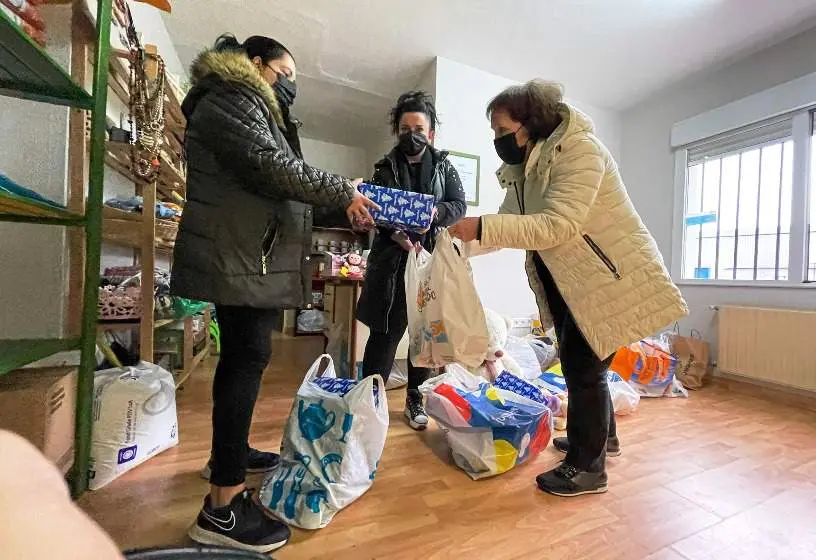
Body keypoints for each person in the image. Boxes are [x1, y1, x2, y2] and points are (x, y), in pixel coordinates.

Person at [170, 33, 378, 552]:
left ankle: (230, 456)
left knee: (243, 359)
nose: (290, 85)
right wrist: (343, 189)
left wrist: (342, 205)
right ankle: (222, 508)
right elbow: (272, 167)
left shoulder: (247, 106)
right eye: (285, 74)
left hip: (245, 254)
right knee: (246, 361)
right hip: (241, 256)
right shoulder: (233, 97)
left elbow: (283, 191)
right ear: (257, 64)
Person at [449, 80, 687, 497]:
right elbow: (507, 228)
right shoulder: (524, 170)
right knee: (584, 364)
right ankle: (602, 438)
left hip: (608, 277)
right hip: (570, 279)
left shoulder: (580, 150)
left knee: (582, 366)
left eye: (501, 130)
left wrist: (480, 226)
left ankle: (588, 468)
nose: (497, 139)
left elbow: (559, 225)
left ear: (528, 123)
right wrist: (455, 245)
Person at [357, 91, 467, 430]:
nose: (412, 135)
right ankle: (369, 403)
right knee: (384, 336)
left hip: (429, 264)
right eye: (405, 129)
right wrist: (391, 231)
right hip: (391, 264)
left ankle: (415, 399)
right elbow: (374, 210)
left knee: (424, 335)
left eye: (418, 129)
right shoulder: (384, 168)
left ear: (430, 133)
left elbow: (458, 205)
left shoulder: (444, 168)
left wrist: (435, 214)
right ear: (397, 132)